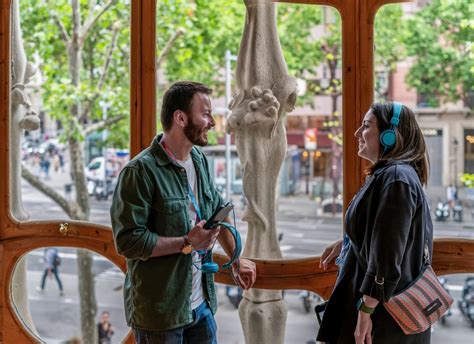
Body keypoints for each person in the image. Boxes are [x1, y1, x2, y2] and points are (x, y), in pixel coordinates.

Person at [110, 81, 257, 343]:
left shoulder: (199, 160)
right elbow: (128, 242)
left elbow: (215, 211)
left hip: (200, 306)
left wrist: (236, 260)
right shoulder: (139, 172)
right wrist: (188, 243)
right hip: (161, 315)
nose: (212, 122)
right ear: (180, 118)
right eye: (206, 114)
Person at [317, 102, 432, 344]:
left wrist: (366, 311)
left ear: (390, 135)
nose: (357, 133)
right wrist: (350, 241)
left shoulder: (396, 178)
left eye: (366, 126)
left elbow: (388, 256)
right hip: (382, 314)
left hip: (383, 320)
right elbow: (385, 232)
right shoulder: (389, 175)